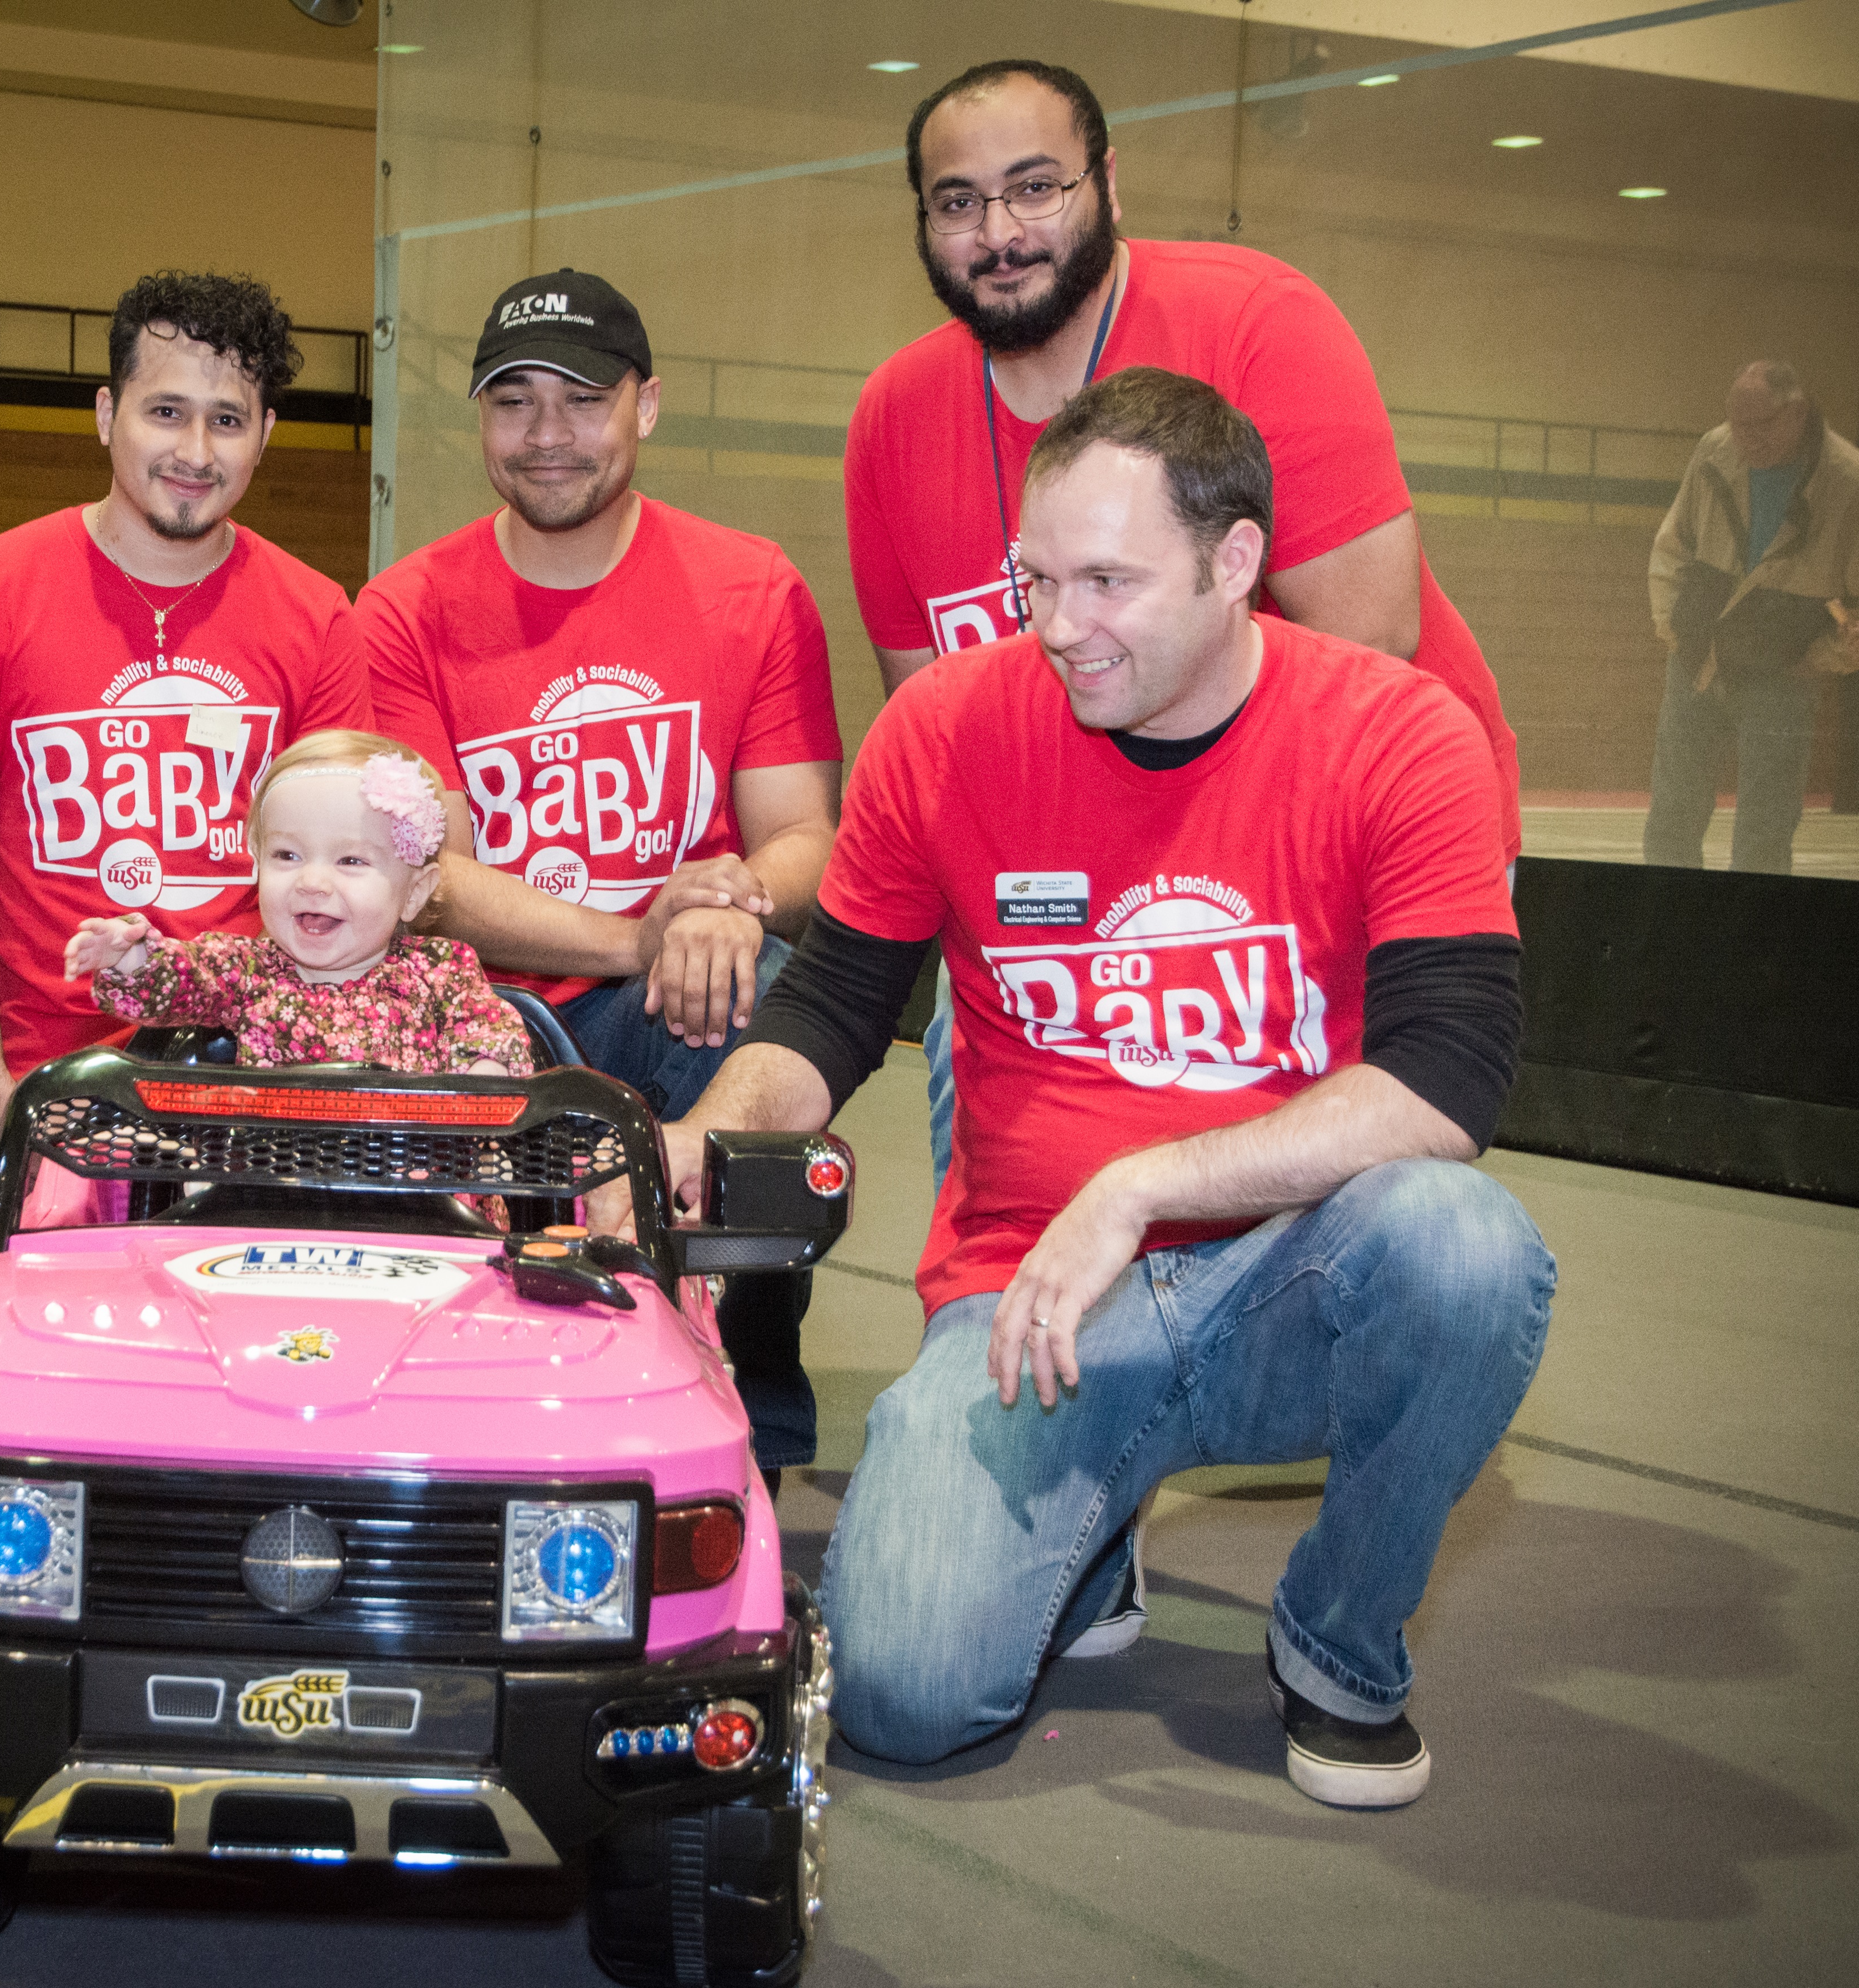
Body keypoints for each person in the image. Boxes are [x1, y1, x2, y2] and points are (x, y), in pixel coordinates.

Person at [630, 368, 1554, 1808]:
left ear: (1233, 560)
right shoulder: (945, 727)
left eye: (1107, 582)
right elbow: (827, 1011)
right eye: (1033, 579)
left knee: (1462, 1244)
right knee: (894, 1694)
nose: (1058, 627)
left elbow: (1443, 1080)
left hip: (1280, 1285)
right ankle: (1091, 1520)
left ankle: (1337, 1650)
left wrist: (1137, 1186)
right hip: (1031, 1308)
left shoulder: (1395, 734)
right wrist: (692, 1140)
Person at [846, 56, 1523, 1184]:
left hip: (1324, 853)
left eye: (1034, 187)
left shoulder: (1253, 321)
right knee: (1005, 1147)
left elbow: (1371, 638)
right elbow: (936, 728)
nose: (997, 230)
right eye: (956, 201)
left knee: (1337, 1215)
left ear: (1108, 184)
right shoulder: (893, 417)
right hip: (1082, 880)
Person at [358, 268, 844, 1475]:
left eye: (580, 398)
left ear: (647, 406)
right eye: (512, 401)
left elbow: (804, 840)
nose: (545, 435)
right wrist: (644, 926)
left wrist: (723, 901)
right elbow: (430, 885)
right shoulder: (405, 610)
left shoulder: (751, 587)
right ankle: (454, 1425)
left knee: (757, 985)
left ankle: (745, 1407)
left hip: (674, 1005)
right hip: (493, 1012)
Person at [0, 269, 371, 1144]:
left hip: (263, 1075)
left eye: (228, 420)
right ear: (105, 415)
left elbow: (353, 878)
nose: (196, 452)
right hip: (60, 1077)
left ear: (265, 435)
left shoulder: (317, 615)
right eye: (165, 411)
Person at [66, 731, 532, 1076]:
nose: (311, 881)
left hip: (416, 1195)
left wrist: (483, 1076)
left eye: (350, 860)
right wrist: (133, 958)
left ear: (413, 892)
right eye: (287, 855)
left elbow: (491, 1029)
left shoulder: (442, 971)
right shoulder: (248, 969)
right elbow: (184, 978)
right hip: (271, 1197)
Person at [1642, 360, 1859, 873]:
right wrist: (1672, 629)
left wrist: (1821, 658)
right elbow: (1671, 546)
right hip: (1697, 658)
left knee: (1765, 829)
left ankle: (1752, 946)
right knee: (1671, 817)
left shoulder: (1847, 481)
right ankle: (1667, 933)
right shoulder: (1713, 449)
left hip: (1783, 676)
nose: (1747, 439)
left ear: (1798, 413)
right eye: (1738, 424)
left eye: (1762, 425)